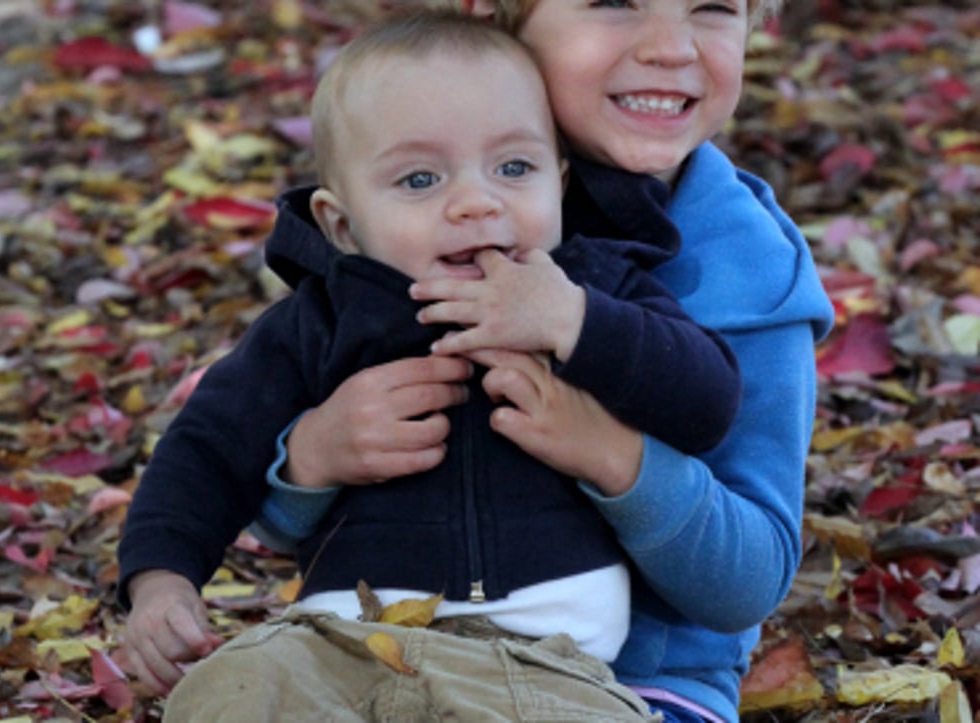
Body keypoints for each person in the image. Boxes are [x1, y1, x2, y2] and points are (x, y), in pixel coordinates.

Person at [117, 9, 744, 721]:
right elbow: (205, 448)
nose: (477, 203)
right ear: (341, 223)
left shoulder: (596, 291)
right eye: (420, 179)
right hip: (340, 647)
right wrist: (160, 580)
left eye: (514, 168)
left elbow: (708, 399)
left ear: (559, 183)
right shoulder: (323, 320)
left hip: (543, 660)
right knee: (234, 687)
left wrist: (576, 323)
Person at [240, 0, 835, 722]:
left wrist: (612, 455)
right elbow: (262, 505)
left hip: (632, 689)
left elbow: (748, 582)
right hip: (378, 656)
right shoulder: (411, 205)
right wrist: (313, 453)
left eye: (712, 7)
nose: (671, 48)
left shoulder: (744, 267)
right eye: (616, 2)